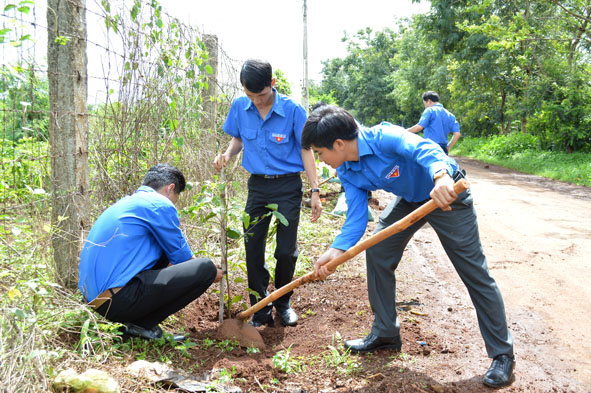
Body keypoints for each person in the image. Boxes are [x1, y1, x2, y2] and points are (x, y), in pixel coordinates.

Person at [301, 105, 515, 388]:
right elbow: (354, 221)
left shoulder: (383, 137)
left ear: (338, 144)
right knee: (378, 252)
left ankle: (502, 354)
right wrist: (334, 252)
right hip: (410, 201)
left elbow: (424, 149)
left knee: (473, 272)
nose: (322, 160)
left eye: (320, 153)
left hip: (447, 195)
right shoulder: (348, 171)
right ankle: (386, 332)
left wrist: (441, 177)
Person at [213, 59, 322, 328]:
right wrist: (227, 154)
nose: (257, 102)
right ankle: (259, 307)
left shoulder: (293, 111)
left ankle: (283, 303)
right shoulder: (240, 106)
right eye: (250, 96)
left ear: (272, 84)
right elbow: (238, 138)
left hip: (287, 187)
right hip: (258, 187)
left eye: (261, 95)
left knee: (286, 250)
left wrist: (315, 190)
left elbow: (305, 150)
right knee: (253, 245)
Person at [79, 163, 223, 341]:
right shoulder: (159, 204)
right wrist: (212, 274)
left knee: (163, 250)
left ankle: (134, 323)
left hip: (97, 302)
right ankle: (141, 325)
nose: (173, 204)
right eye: (175, 199)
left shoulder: (128, 203)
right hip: (118, 301)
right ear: (170, 189)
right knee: (205, 268)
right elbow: (184, 260)